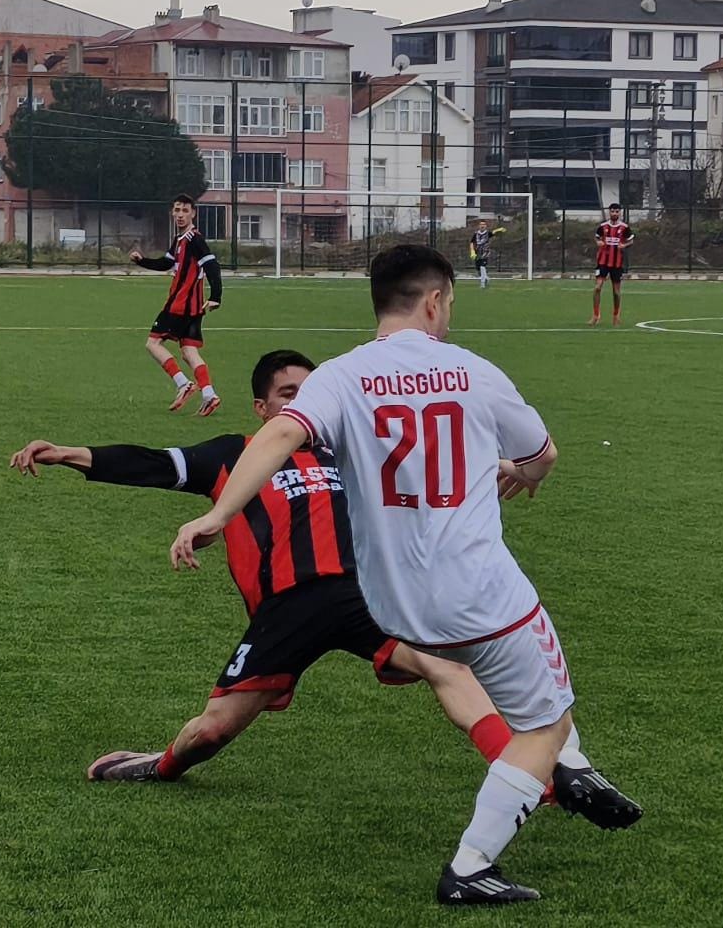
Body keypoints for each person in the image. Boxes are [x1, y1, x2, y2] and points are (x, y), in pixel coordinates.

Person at [170, 246, 641, 905]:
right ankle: (475, 864)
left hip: (393, 606)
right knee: (547, 721)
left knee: (508, 678)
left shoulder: (340, 375)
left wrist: (219, 514)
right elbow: (542, 455)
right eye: (449, 303)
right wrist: (519, 472)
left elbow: (278, 437)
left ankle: (571, 768)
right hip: (480, 594)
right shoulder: (472, 371)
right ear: (434, 301)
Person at [132, 194, 222, 416]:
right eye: (177, 210)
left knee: (153, 343)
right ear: (172, 213)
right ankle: (209, 394)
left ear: (193, 213)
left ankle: (183, 384)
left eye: (185, 211)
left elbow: (212, 266)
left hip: (180, 305)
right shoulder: (180, 239)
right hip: (193, 307)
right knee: (189, 351)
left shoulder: (194, 239)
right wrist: (142, 261)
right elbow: (166, 263)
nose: (180, 215)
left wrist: (216, 295)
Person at [591, 203, 633, 327]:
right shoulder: (602, 226)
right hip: (602, 262)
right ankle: (596, 315)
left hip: (617, 263)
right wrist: (598, 242)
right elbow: (597, 238)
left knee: (616, 292)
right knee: (597, 288)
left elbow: (631, 240)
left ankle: (616, 315)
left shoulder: (624, 227)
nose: (614, 213)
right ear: (609, 212)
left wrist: (624, 245)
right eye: (612, 211)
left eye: (617, 211)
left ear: (620, 213)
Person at [469, 219, 506, 289]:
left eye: (484, 224)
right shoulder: (476, 234)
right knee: (478, 269)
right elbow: (472, 243)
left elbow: (493, 232)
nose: (482, 226)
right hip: (477, 253)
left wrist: (499, 229)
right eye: (481, 224)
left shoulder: (487, 233)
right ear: (479, 226)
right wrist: (472, 251)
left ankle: (482, 284)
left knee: (482, 266)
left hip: (485, 252)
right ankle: (486, 278)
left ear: (486, 226)